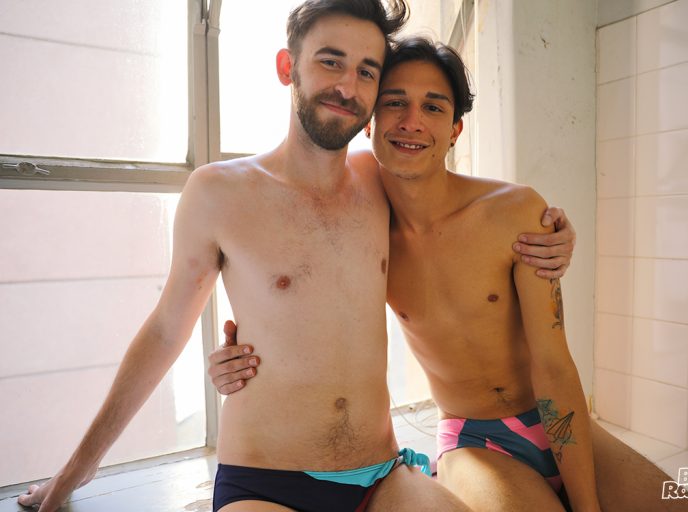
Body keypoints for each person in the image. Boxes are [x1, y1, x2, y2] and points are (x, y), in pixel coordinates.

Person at [17, 3, 481, 511]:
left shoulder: (380, 181)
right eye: (330, 62)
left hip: (381, 476)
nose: (348, 87)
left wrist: (535, 232)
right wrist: (76, 470)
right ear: (288, 67)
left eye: (366, 72)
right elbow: (166, 330)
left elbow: (453, 215)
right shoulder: (219, 191)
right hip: (265, 482)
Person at [210, 38, 688, 512]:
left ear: (454, 130)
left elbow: (554, 367)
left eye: (433, 107)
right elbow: (292, 293)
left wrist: (588, 505)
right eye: (395, 103)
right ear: (369, 122)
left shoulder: (514, 212)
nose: (411, 122)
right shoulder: (361, 229)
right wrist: (234, 357)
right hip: (473, 441)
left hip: (558, 415)